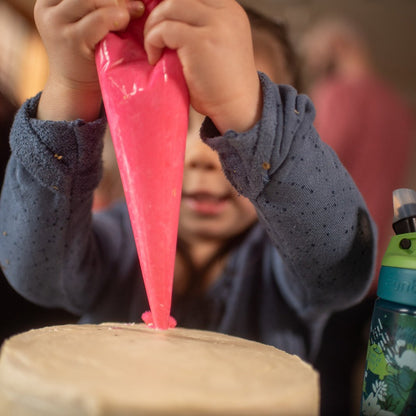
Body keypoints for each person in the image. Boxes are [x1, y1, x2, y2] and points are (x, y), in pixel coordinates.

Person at [0, 0, 375, 373]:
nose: (202, 156)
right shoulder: (114, 243)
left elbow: (341, 264)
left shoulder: (282, 265)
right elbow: (38, 273)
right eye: (171, 116)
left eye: (227, 125)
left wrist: (243, 103)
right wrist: (71, 88)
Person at [301, 18, 415, 293]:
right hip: (379, 258)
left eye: (316, 57)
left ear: (337, 47)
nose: (314, 67)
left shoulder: (335, 94)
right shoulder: (399, 106)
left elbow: (310, 169)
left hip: (335, 256)